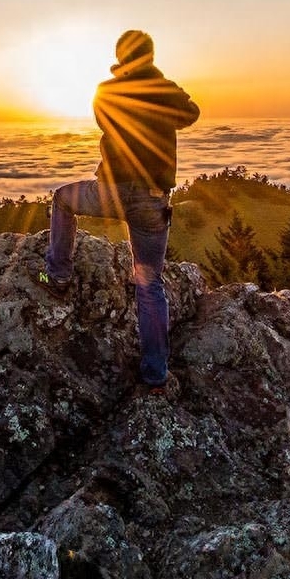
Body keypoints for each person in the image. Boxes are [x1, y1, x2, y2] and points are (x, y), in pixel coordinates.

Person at [39, 29, 200, 393]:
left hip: (110, 192)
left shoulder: (106, 91)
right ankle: (155, 375)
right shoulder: (162, 90)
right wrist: (157, 83)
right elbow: (190, 113)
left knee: (63, 199)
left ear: (120, 56)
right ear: (151, 57)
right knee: (149, 285)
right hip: (152, 199)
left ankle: (58, 276)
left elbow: (105, 119)